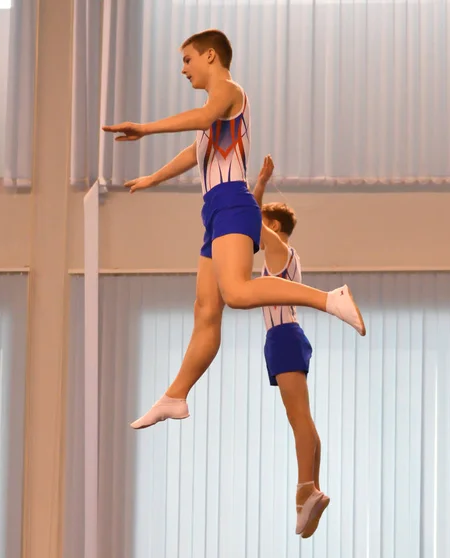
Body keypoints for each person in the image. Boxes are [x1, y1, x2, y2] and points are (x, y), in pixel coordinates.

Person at [102, 29, 366, 430]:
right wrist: (153, 178)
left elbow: (204, 119)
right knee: (206, 313)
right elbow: (196, 152)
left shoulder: (227, 90)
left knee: (238, 293)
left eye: (187, 59)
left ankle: (330, 299)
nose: (183, 69)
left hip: (232, 204)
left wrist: (146, 128)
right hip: (215, 211)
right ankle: (175, 395)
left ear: (210, 56)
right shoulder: (214, 113)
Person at [252, 155, 329, 538]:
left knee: (298, 419)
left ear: (275, 226)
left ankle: (305, 492)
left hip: (282, 335)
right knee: (305, 419)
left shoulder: (279, 251)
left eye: (266, 224)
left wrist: (261, 183)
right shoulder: (285, 257)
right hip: (287, 336)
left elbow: (248, 217)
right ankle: (310, 489)